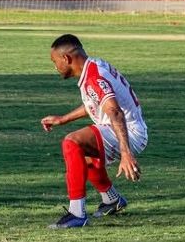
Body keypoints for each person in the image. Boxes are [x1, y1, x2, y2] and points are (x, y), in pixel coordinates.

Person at [41, 34, 148, 229]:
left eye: (54, 61)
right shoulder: (93, 66)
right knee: (83, 156)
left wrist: (126, 152)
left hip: (129, 132)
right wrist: (63, 119)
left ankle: (77, 213)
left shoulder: (93, 76)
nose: (54, 67)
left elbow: (114, 112)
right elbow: (96, 102)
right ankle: (112, 199)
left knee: (72, 142)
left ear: (66, 59)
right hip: (125, 129)